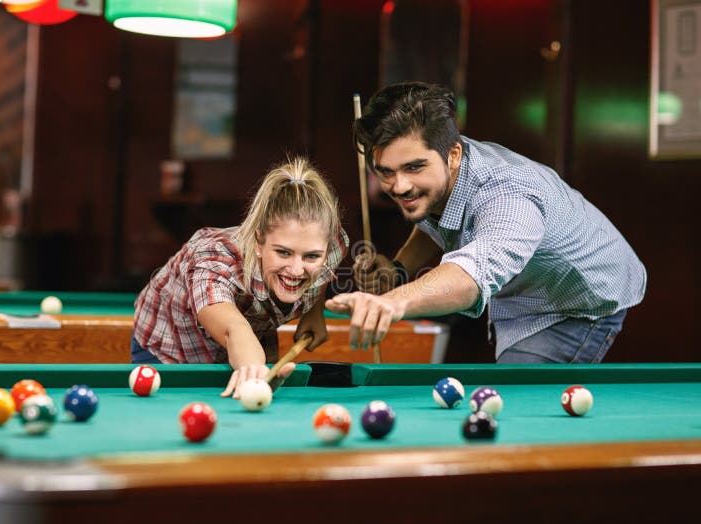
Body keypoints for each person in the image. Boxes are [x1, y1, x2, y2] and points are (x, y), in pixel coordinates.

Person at [326, 82, 646, 363]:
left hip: (576, 300)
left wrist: (393, 302)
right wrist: (398, 270)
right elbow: (433, 217)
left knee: (515, 409)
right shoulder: (435, 179)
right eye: (385, 171)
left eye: (414, 167)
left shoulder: (507, 194)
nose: (400, 186)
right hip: (525, 289)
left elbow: (473, 273)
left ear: (453, 155)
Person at [133, 157, 349, 396]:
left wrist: (313, 312)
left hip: (253, 339)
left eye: (311, 256)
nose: (297, 269)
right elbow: (233, 329)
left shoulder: (334, 244)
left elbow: (320, 275)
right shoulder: (214, 259)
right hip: (171, 347)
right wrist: (253, 368)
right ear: (259, 241)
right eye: (283, 252)